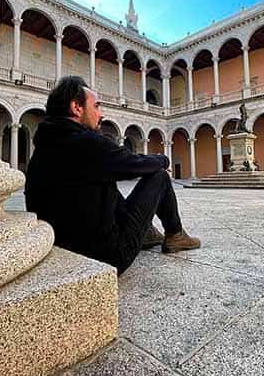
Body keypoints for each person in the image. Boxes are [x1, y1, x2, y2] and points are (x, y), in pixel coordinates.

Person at [25, 75, 200, 275]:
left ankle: (148, 234)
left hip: (63, 248)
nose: (101, 114)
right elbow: (132, 164)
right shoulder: (86, 143)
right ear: (77, 107)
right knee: (159, 176)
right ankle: (175, 234)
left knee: (104, 178)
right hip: (107, 255)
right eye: (97, 106)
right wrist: (163, 160)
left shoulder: (43, 148)